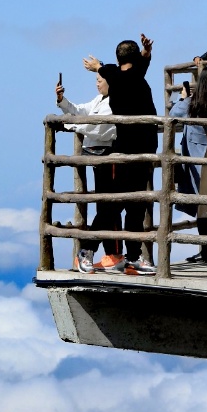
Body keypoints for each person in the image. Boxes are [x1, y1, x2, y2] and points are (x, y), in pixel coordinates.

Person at [83, 34, 157, 276]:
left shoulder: (123, 75)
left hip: (139, 151)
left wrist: (99, 66)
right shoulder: (125, 77)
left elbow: (126, 68)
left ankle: (133, 258)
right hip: (128, 152)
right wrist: (100, 67)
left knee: (136, 205)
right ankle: (86, 250)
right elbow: (120, 71)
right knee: (113, 206)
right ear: (134, 59)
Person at [56, 72, 117, 274]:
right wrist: (62, 101)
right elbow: (81, 110)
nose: (97, 85)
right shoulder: (101, 99)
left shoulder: (114, 102)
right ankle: (113, 254)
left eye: (100, 81)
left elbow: (99, 128)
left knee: (108, 206)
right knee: (107, 205)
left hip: (109, 155)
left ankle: (89, 251)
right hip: (98, 156)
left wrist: (70, 124)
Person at [170, 67, 207, 263]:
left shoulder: (191, 104)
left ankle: (205, 250)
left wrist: (183, 97)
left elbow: (173, 113)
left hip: (197, 161)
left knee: (202, 207)